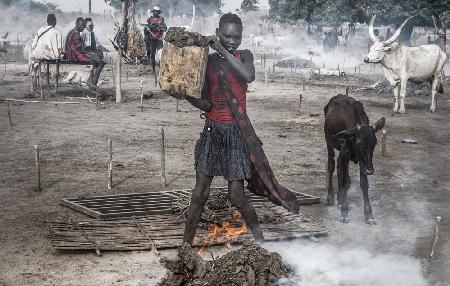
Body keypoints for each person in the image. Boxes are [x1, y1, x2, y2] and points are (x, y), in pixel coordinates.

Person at [166, 13, 299, 246]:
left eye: (236, 37)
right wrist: (185, 96)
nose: (231, 40)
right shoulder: (207, 62)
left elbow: (248, 75)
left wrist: (222, 50)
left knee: (236, 196)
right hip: (212, 132)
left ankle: (261, 242)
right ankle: (185, 246)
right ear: (218, 32)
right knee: (199, 195)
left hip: (236, 135)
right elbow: (206, 103)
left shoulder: (244, 56)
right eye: (226, 36)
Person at [65, 17, 106, 87]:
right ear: (76, 24)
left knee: (97, 57)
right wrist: (91, 53)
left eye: (83, 26)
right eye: (81, 25)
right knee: (101, 62)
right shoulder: (76, 34)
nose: (83, 28)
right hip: (73, 55)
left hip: (72, 53)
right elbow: (79, 50)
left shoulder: (73, 31)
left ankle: (91, 79)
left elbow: (79, 48)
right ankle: (94, 82)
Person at [144, 6, 167, 72]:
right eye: (154, 11)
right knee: (152, 54)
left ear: (158, 12)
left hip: (159, 39)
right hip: (152, 39)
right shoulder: (149, 19)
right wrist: (147, 34)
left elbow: (165, 28)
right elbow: (146, 28)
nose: (155, 13)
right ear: (153, 12)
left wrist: (161, 27)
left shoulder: (161, 19)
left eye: (156, 11)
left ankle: (161, 68)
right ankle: (153, 69)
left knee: (161, 54)